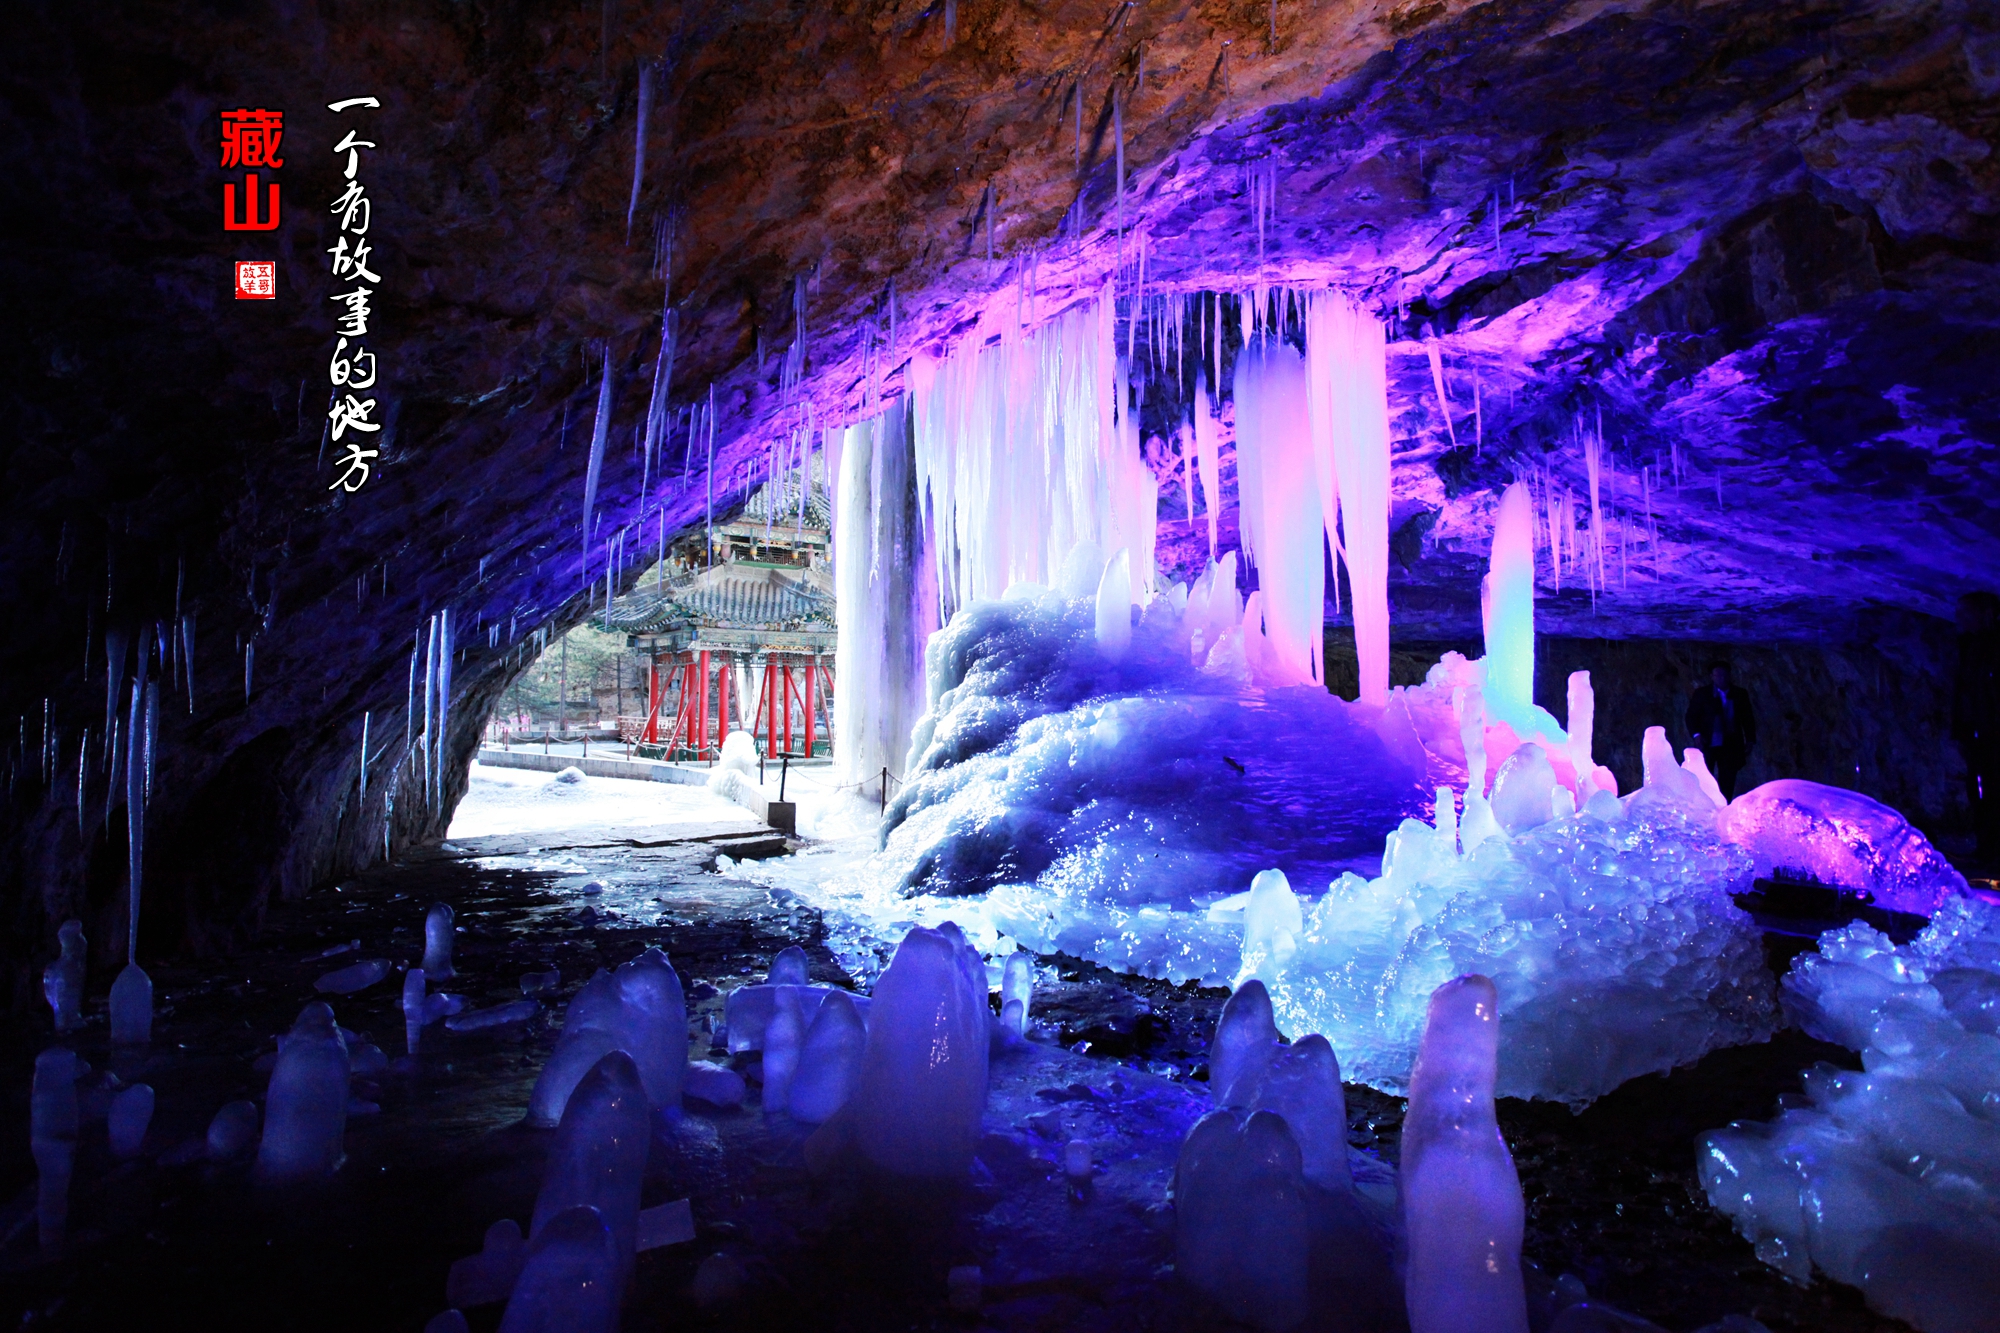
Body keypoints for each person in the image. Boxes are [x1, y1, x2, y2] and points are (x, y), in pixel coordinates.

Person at [1954, 592, 2000, 863]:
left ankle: (1992, 847)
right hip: (1977, 728)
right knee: (1979, 786)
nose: (1959, 618)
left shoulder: (1991, 647)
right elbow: (1964, 691)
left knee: (1993, 787)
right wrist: (1961, 728)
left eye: (1965, 612)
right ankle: (1987, 844)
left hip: (1991, 728)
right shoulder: (1969, 646)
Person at [1686, 661, 1756, 801]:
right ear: (1712, 676)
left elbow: (1747, 717)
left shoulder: (1739, 694)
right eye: (1718, 675)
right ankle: (1705, 804)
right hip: (1708, 741)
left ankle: (1725, 805)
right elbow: (1691, 715)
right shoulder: (1702, 694)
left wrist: (1750, 739)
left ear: (1729, 676)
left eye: (1724, 675)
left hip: (1731, 742)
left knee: (1728, 777)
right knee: (1705, 776)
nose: (1722, 679)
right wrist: (1697, 734)